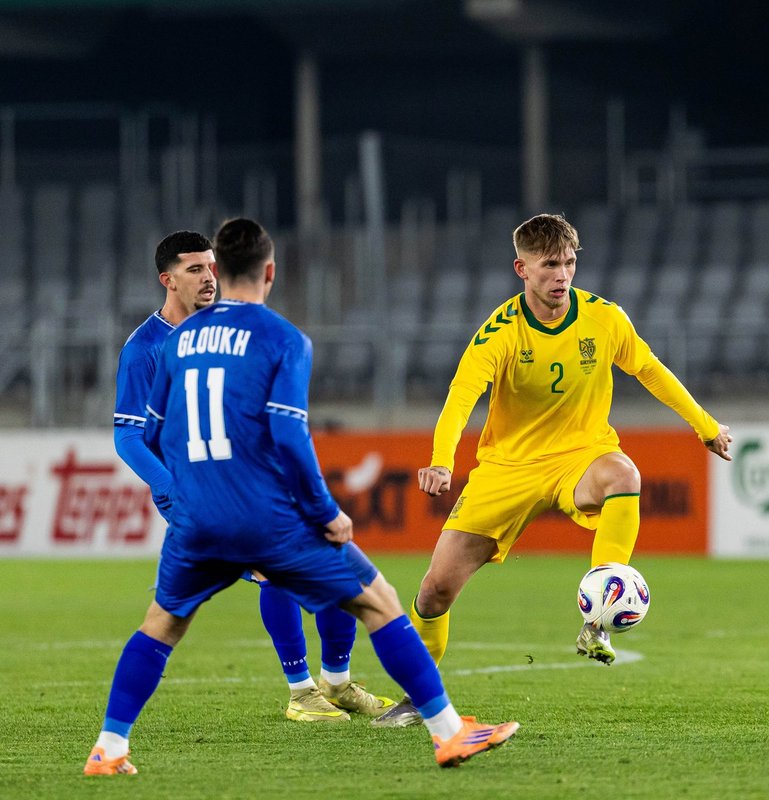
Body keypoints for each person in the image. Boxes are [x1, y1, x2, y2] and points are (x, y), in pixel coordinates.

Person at [85, 218, 518, 775]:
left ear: (223, 270)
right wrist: (323, 511)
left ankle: (109, 747)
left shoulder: (179, 343)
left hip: (198, 519)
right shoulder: (283, 339)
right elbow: (290, 436)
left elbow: (153, 430)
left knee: (161, 624)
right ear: (269, 272)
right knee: (379, 600)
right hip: (263, 513)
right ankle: (447, 732)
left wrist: (190, 488)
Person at [408, 212, 730, 672]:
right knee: (435, 590)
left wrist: (706, 426)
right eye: (549, 265)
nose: (562, 275)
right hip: (508, 468)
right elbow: (462, 396)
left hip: (581, 456)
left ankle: (598, 618)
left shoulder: (604, 318)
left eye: (569, 263)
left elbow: (650, 369)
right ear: (522, 269)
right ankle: (418, 695)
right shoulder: (500, 332)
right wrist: (442, 460)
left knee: (623, 474)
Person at [112, 230, 394, 725]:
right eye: (194, 269)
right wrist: (172, 485)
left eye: (211, 266)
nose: (209, 277)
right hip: (197, 491)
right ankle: (301, 690)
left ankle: (337, 682)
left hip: (249, 479)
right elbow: (129, 435)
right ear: (167, 280)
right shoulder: (146, 348)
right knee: (271, 569)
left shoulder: (227, 330)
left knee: (331, 557)